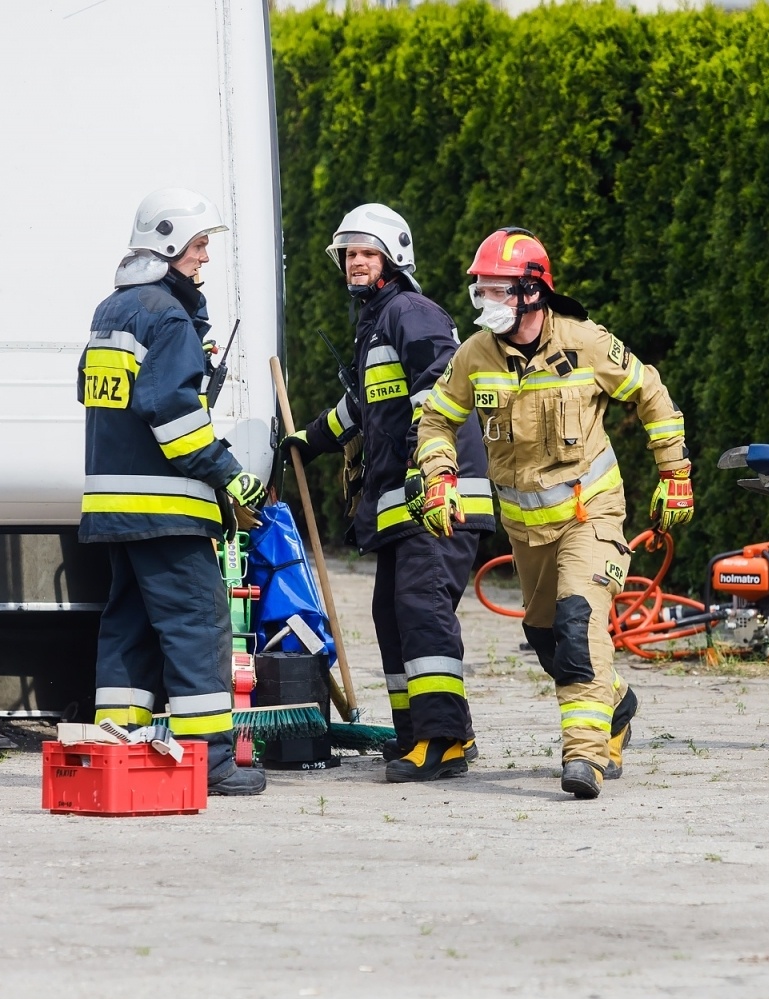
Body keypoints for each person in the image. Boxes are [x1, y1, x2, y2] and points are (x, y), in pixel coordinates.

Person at [412, 228, 693, 799]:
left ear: (533, 293)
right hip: (526, 533)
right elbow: (436, 419)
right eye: (480, 291)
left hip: (590, 516)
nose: (485, 302)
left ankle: (584, 757)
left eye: (497, 290)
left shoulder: (586, 343)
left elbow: (651, 394)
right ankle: (616, 705)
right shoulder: (475, 356)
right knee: (548, 640)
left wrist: (676, 473)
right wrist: (438, 475)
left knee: (576, 625)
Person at [280, 204, 495, 782]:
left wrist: (433, 470)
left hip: (439, 500)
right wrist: (308, 440)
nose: (355, 261)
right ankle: (416, 735)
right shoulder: (376, 322)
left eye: (367, 252)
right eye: (349, 253)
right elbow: (364, 408)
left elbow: (438, 391)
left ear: (393, 258)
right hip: (407, 508)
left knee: (421, 613)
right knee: (393, 615)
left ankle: (445, 741)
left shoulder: (412, 312)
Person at [78, 187, 267, 796]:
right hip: (165, 507)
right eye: (199, 245)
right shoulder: (166, 315)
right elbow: (173, 415)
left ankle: (116, 748)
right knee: (197, 622)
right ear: (167, 244)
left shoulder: (113, 311)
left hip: (114, 506)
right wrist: (229, 473)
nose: (205, 257)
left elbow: (99, 394)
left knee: (128, 627)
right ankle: (209, 761)